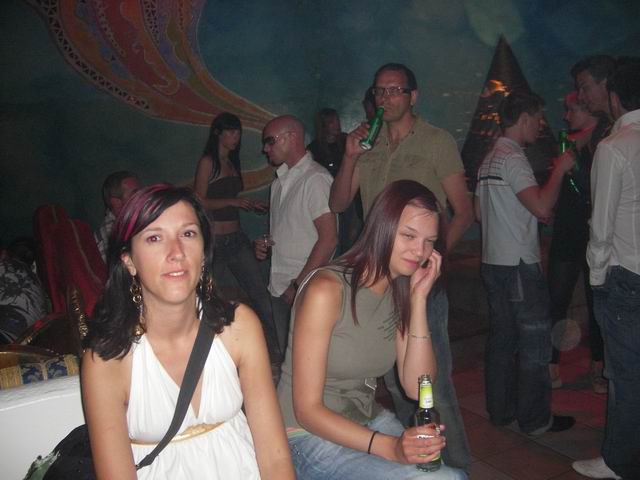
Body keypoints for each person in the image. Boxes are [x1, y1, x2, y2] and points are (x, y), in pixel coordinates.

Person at [82, 184, 294, 479]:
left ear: (204, 253)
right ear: (128, 260)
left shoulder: (238, 327)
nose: (177, 252)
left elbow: (274, 456)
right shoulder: (108, 359)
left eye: (188, 234)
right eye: (154, 238)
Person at [329, 62, 473, 469]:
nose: (386, 98)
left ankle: (457, 467)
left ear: (413, 96)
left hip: (420, 282)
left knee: (431, 386)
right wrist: (349, 158)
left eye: (395, 90)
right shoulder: (368, 145)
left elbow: (463, 211)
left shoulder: (436, 141)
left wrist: (431, 260)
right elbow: (338, 203)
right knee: (393, 380)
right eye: (380, 91)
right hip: (380, 279)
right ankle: (421, 461)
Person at [277, 180, 466, 479]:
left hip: (364, 419)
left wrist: (418, 300)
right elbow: (307, 411)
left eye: (429, 241)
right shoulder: (326, 289)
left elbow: (418, 386)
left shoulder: (399, 288)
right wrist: (391, 448)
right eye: (408, 235)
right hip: (305, 435)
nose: (420, 251)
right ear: (382, 227)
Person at [474, 90, 576, 435]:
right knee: (534, 342)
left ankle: (501, 411)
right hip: (518, 264)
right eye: (538, 118)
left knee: (502, 340)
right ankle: (534, 419)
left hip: (493, 262)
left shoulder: (490, 158)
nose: (541, 125)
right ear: (524, 119)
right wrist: (560, 170)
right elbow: (543, 206)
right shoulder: (514, 159)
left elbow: (479, 213)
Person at [573, 59, 640, 480]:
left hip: (626, 276)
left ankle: (620, 462)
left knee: (626, 376)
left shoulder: (615, 146)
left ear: (615, 98)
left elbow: (601, 228)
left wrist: (596, 279)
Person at [194, 112, 280, 363]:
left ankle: (277, 348)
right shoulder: (208, 162)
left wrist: (247, 204)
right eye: (231, 132)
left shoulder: (232, 161)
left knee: (260, 293)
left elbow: (228, 200)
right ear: (218, 133)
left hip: (236, 237)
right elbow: (199, 201)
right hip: (215, 241)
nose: (236, 137)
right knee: (209, 297)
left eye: (238, 132)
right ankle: (210, 354)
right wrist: (234, 202)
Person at [254, 115, 337, 361]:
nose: (265, 148)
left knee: (309, 361)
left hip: (304, 287)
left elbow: (329, 239)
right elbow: (288, 229)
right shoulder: (278, 183)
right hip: (279, 283)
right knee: (288, 359)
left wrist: (299, 284)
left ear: (291, 137)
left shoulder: (315, 179)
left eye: (270, 141)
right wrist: (264, 244)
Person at [547, 92, 606, 393]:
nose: (566, 116)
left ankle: (599, 366)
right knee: (556, 299)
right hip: (567, 231)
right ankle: (551, 365)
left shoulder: (603, 145)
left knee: (598, 301)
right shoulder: (567, 143)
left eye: (572, 110)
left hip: (595, 232)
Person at [307, 108, 363, 254]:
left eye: (337, 120)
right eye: (331, 122)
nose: (337, 124)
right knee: (332, 236)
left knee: (351, 236)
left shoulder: (346, 141)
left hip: (350, 197)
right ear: (323, 125)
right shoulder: (315, 149)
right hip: (326, 198)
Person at [0, 237, 47, 343]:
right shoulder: (37, 283)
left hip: (7, 339)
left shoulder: (5, 267)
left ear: (4, 254)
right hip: (27, 344)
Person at [95, 171, 141, 262]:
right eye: (135, 194)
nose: (141, 197)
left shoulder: (139, 220)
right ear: (116, 203)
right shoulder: (108, 235)